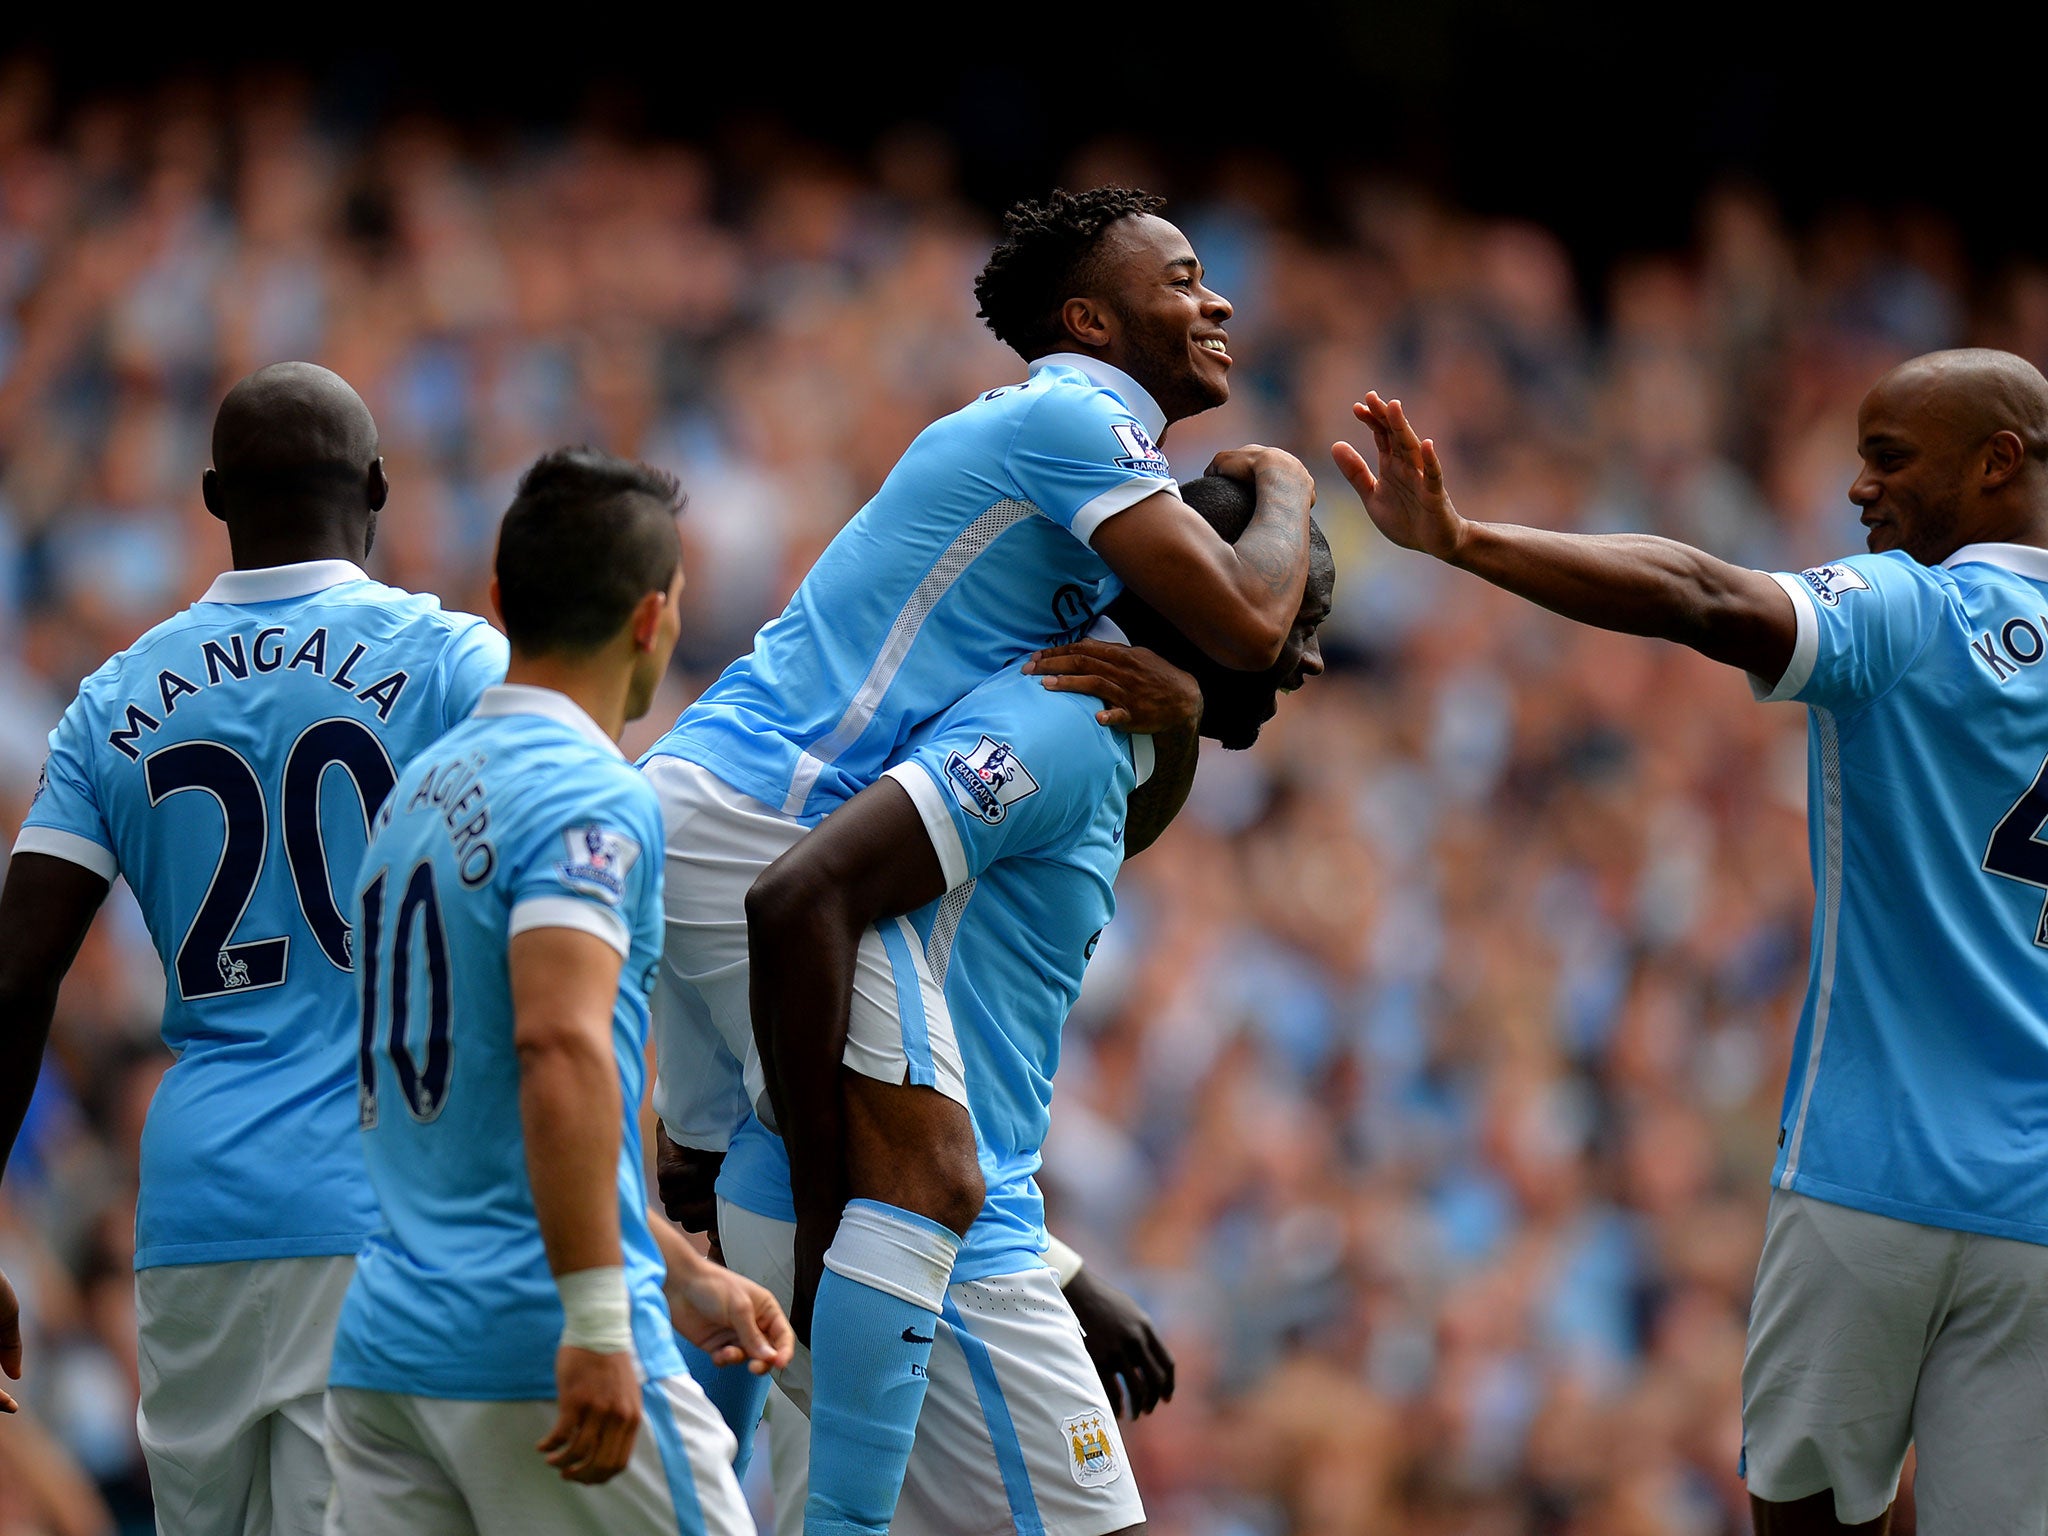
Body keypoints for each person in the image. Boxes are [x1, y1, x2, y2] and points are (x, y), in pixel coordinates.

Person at [641, 186, 1315, 1534]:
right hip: (766, 817)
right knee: (921, 1178)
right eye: (1181, 278)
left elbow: (1146, 746)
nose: (1218, 299)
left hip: (719, 813)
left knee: (715, 1182)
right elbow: (1244, 620)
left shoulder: (1071, 637)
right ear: (1090, 318)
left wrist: (1176, 724)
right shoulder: (1072, 425)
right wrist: (1290, 487)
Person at [1334, 350, 2048, 1535]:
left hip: (1868, 1174)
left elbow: (1704, 595)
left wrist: (1466, 541)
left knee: (1802, 1514)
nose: (1857, 490)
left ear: (1995, 464)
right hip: (2034, 1212)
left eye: (1887, 459)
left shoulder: (1917, 610)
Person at [734, 474, 1334, 1535]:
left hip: (931, 1221)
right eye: (1299, 613)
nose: (1310, 654)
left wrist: (1057, 1270)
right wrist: (838, 1204)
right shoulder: (1058, 722)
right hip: (913, 1234)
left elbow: (960, 969)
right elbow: (804, 896)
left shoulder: (1118, 734)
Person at [0, 362, 508, 1532]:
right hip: (385, 1207)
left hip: (194, 1220)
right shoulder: (454, 666)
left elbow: (17, 970)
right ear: (378, 486)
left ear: (214, 496)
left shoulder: (112, 701)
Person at [323, 448, 793, 1536]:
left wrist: (674, 1265)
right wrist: (598, 1311)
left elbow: (483, 1108)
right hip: (535, 1336)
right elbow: (558, 1049)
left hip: (389, 1353)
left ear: (500, 602)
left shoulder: (415, 800)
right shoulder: (589, 796)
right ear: (650, 620)